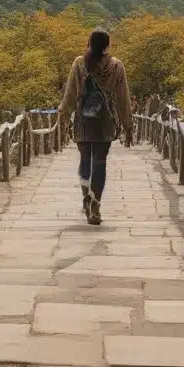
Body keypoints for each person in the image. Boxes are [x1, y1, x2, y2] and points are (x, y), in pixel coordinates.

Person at [58, 28, 132, 225]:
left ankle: (87, 197)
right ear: (108, 44)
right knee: (100, 162)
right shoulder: (116, 66)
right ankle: (96, 201)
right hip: (105, 121)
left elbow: (70, 93)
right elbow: (123, 98)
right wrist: (128, 125)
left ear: (89, 42)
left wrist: (63, 116)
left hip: (83, 120)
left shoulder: (79, 63)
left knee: (85, 160)